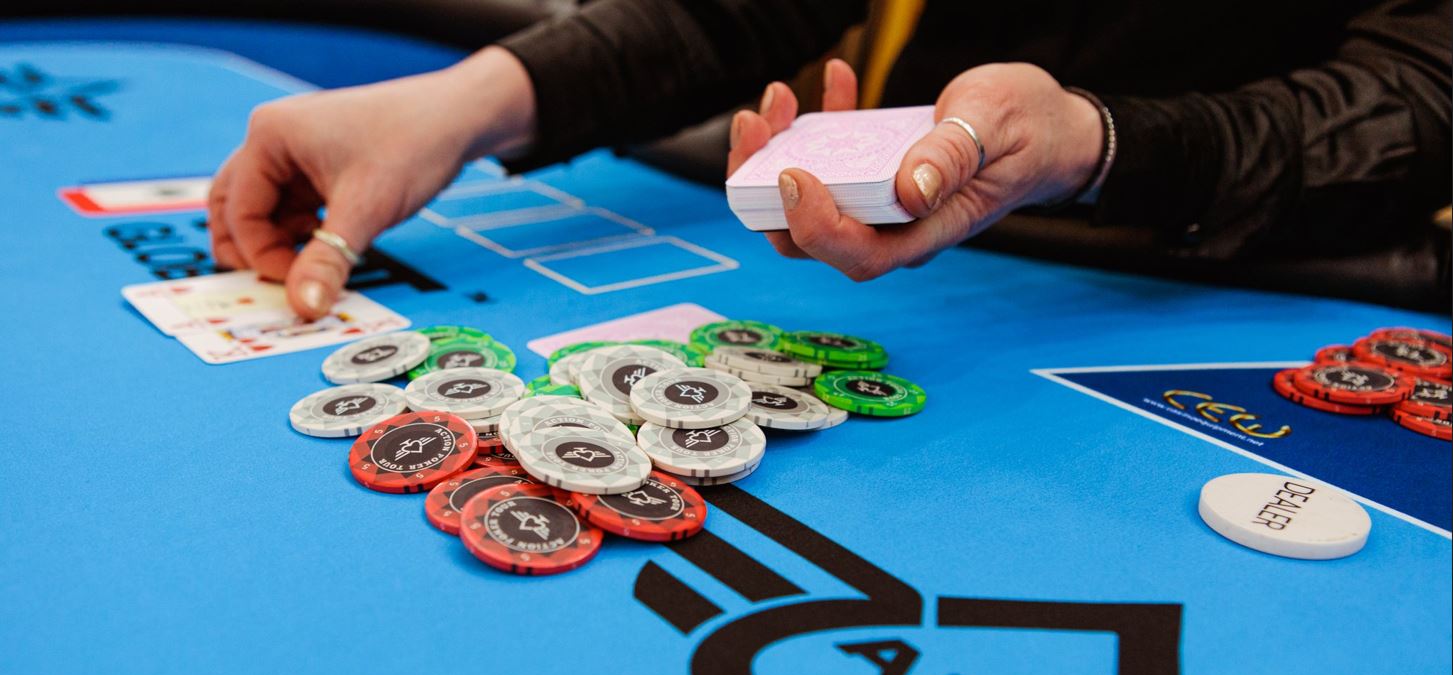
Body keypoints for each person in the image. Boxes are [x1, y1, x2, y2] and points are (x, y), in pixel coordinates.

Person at [208, 0, 1452, 319]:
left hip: (1252, 274)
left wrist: (1098, 142)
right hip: (928, 229)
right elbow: (744, 12)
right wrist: (475, 99)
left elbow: (1413, 100)